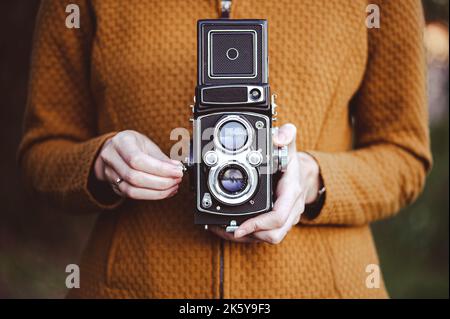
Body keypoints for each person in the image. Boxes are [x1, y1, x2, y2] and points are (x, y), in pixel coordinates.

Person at [18, 0, 431, 298]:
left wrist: (313, 179)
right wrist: (101, 162)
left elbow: (403, 153)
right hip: (132, 285)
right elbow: (42, 150)